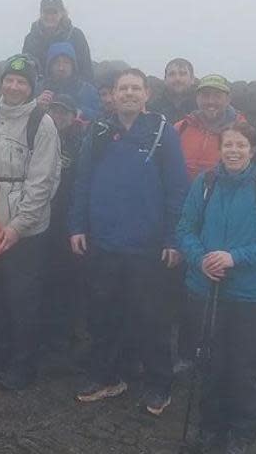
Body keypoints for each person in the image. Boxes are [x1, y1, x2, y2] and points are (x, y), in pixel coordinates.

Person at [69, 68, 189, 416]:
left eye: (136, 88)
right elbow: (82, 180)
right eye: (124, 88)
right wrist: (77, 225)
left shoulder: (161, 131)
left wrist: (173, 237)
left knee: (151, 318)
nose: (130, 94)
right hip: (104, 242)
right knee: (103, 314)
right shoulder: (100, 129)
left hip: (147, 245)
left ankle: (159, 384)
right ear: (114, 94)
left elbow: (177, 188)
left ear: (147, 94)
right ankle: (107, 377)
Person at [0, 53, 62, 390]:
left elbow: (42, 182)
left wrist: (18, 227)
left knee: (23, 298)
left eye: (21, 82)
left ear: (31, 87)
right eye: (9, 79)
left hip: (27, 228)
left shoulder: (42, 123)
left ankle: (23, 367)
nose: (14, 86)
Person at [177, 122, 256, 454]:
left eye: (241, 145)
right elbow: (185, 226)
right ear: (220, 148)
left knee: (242, 366)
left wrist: (233, 257)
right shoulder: (205, 182)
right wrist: (200, 259)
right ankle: (209, 428)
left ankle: (241, 433)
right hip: (204, 288)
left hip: (249, 295)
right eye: (228, 144)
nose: (234, 150)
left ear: (252, 150)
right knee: (209, 362)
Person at [42, 94, 88, 349]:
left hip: (69, 218)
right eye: (54, 111)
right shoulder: (39, 134)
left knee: (68, 277)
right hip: (42, 215)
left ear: (74, 115)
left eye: (64, 112)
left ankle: (65, 333)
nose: (58, 116)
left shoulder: (82, 140)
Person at [175, 74, 245, 181]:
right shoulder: (181, 127)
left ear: (228, 99)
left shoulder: (243, 132)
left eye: (217, 96)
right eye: (205, 95)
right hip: (183, 195)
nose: (210, 101)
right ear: (197, 99)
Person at [22, 0, 93, 81]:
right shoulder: (30, 39)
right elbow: (25, 71)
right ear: (40, 13)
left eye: (54, 12)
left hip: (72, 89)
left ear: (62, 13)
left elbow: (86, 70)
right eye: (46, 12)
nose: (50, 16)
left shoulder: (76, 36)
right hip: (39, 90)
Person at [36, 42, 101, 121]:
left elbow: (100, 115)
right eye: (56, 62)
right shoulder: (38, 88)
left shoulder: (87, 90)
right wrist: (36, 105)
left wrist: (82, 112)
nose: (61, 68)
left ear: (73, 65)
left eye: (66, 62)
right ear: (49, 65)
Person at [148, 58, 196, 124]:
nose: (177, 78)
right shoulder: (152, 109)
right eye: (172, 74)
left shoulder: (201, 106)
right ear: (165, 79)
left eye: (182, 74)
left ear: (192, 79)